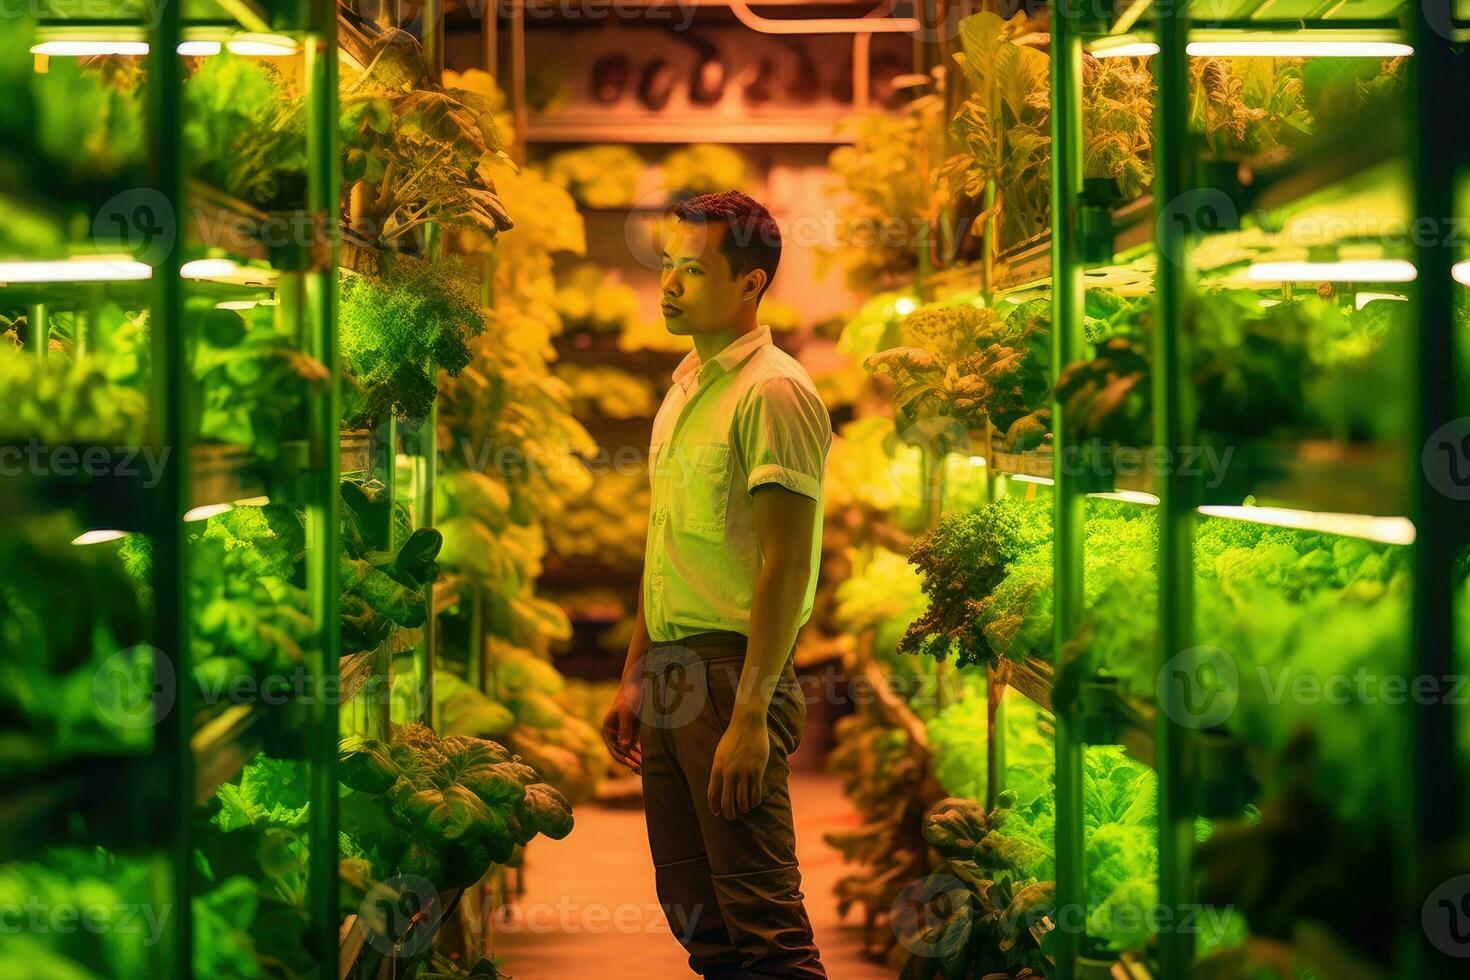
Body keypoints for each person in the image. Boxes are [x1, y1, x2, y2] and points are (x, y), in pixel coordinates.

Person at [601, 191, 832, 979]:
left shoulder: (773, 392)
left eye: (691, 270)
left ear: (750, 284)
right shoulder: (686, 385)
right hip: (672, 670)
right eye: (666, 266)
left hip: (732, 674)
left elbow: (786, 566)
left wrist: (750, 716)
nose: (667, 284)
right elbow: (664, 545)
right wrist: (635, 672)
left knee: (763, 922)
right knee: (699, 916)